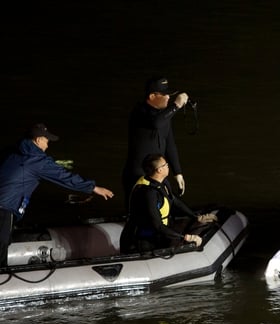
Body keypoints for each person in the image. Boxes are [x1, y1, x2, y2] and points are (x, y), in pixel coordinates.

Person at [0, 123, 115, 267]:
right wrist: (93, 188)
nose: (47, 146)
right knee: (1, 246)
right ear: (38, 140)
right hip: (4, 208)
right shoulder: (37, 160)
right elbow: (65, 177)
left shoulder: (11, 152)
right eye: (47, 141)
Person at [120, 153, 216, 254]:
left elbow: (174, 200)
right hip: (144, 240)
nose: (168, 166)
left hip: (161, 233)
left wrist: (195, 217)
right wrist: (186, 237)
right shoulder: (148, 193)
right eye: (165, 164)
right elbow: (157, 225)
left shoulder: (163, 182)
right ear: (159, 170)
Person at [121, 76, 190, 212]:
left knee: (167, 205)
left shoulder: (163, 115)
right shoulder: (139, 111)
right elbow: (155, 123)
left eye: (170, 95)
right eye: (165, 95)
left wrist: (177, 172)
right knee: (139, 212)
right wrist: (176, 106)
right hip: (138, 174)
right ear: (152, 96)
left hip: (158, 172)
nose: (168, 98)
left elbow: (169, 143)